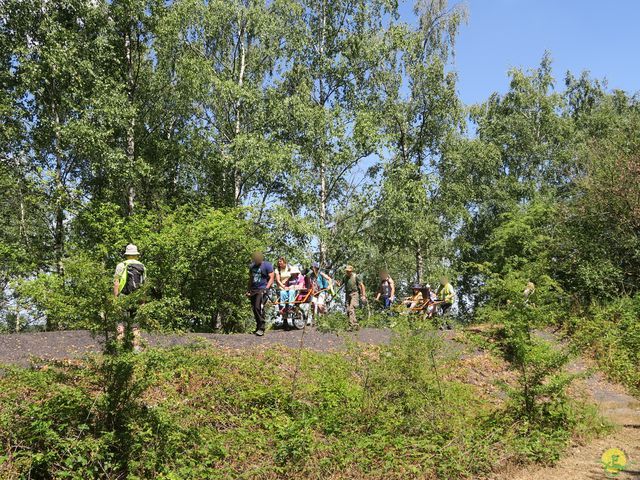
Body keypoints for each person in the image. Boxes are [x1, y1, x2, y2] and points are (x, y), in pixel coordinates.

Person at [113, 244, 146, 352]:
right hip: (137, 298)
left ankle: (120, 352)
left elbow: (116, 283)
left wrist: (115, 299)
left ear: (126, 255)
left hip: (123, 297)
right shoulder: (142, 266)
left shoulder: (120, 265)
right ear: (136, 255)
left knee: (120, 326)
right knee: (135, 328)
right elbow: (144, 285)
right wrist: (143, 302)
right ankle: (136, 353)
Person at [247, 251, 275, 336]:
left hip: (262, 289)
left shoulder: (267, 265)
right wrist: (248, 290)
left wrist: (266, 288)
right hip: (253, 290)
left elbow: (271, 277)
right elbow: (251, 279)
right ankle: (258, 326)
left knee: (258, 307)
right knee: (254, 309)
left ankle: (262, 328)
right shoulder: (252, 266)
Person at [343, 265, 366, 330]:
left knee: (351, 308)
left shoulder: (356, 276)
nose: (348, 272)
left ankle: (351, 325)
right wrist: (333, 282)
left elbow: (362, 285)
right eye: (347, 271)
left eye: (349, 271)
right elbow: (339, 284)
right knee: (347, 310)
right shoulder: (344, 277)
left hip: (354, 294)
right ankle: (355, 324)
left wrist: (363, 295)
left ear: (351, 271)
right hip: (347, 294)